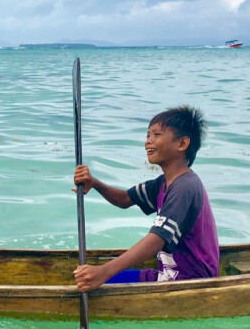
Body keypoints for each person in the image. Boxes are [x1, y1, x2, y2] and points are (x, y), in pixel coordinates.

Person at [72, 106, 219, 291]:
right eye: (147, 135)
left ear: (182, 144)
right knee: (92, 281)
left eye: (156, 135)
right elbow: (125, 199)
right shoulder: (163, 184)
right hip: (168, 275)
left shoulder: (185, 187)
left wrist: (104, 271)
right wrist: (94, 183)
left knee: (101, 283)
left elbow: (157, 239)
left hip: (191, 281)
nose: (148, 141)